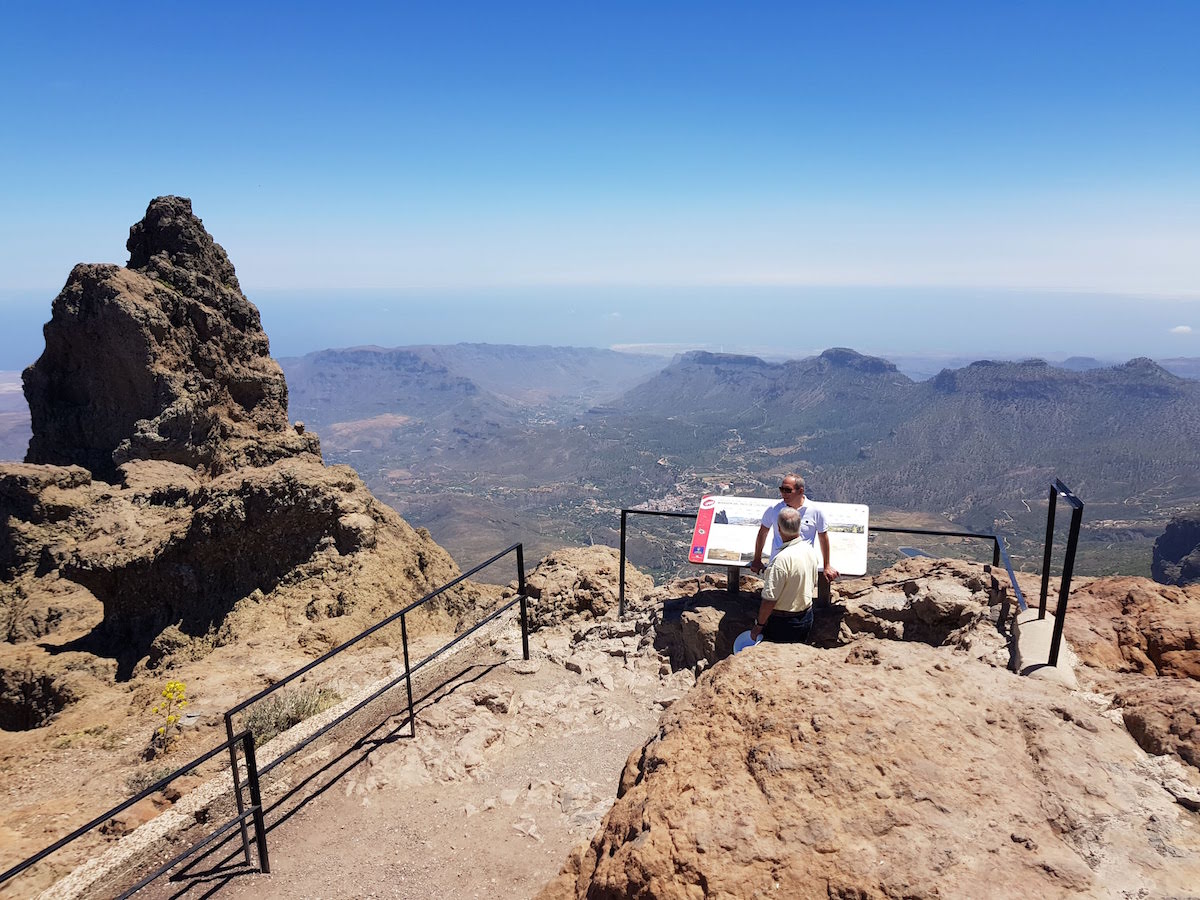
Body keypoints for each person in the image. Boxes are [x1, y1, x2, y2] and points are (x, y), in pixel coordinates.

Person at [748, 473, 839, 583]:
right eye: (782, 489)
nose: (783, 493)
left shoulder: (815, 511)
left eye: (788, 490)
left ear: (800, 491)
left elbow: (823, 538)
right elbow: (763, 533)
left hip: (803, 567)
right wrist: (757, 559)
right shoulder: (774, 509)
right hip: (777, 566)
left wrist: (827, 565)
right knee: (773, 598)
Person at [750, 507, 818, 643]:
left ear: (779, 529)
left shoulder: (781, 560)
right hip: (806, 615)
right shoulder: (809, 550)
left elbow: (770, 599)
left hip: (783, 622)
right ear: (799, 527)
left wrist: (759, 625)